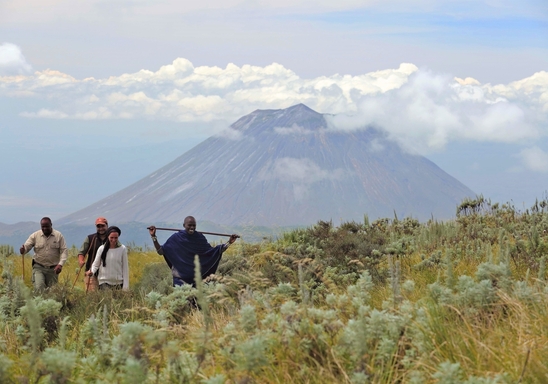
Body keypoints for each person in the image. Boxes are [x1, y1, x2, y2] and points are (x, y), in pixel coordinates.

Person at [148, 216, 238, 287]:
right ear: (184, 225)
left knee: (196, 307)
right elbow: (160, 251)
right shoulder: (176, 238)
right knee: (182, 306)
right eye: (189, 225)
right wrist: (153, 237)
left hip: (196, 281)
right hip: (180, 280)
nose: (192, 227)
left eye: (194, 225)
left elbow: (212, 252)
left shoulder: (199, 238)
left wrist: (229, 243)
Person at [20, 217, 68, 293]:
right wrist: (23, 250)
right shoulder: (35, 235)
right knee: (39, 287)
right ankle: (39, 304)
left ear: (51, 225)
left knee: (52, 292)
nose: (45, 228)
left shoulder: (58, 236)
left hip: (53, 269)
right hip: (39, 267)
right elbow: (27, 246)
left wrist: (60, 264)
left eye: (47, 226)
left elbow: (64, 251)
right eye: (43, 226)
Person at [86, 226, 129, 290]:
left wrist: (125, 287)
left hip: (118, 283)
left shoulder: (122, 249)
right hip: (104, 282)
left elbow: (125, 268)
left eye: (116, 238)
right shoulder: (101, 249)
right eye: (111, 237)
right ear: (108, 237)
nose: (113, 240)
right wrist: (91, 271)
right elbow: (96, 264)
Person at [77, 217, 110, 291]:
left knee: (106, 297)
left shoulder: (111, 238)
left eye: (102, 226)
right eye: (98, 226)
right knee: (91, 297)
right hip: (91, 272)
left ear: (107, 226)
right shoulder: (90, 238)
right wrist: (81, 261)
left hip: (108, 274)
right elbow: (82, 252)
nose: (100, 228)